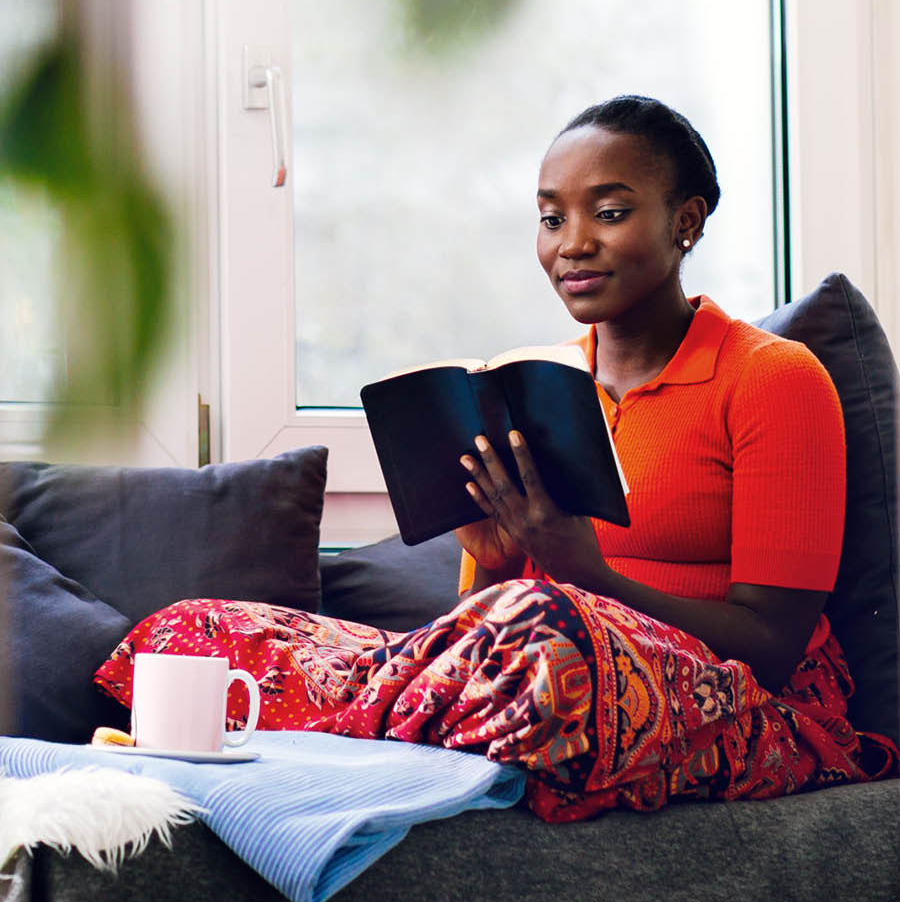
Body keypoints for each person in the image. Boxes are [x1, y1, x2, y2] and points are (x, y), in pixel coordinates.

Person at [95, 95, 897, 820]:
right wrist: (493, 560)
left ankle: (346, 736)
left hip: (744, 703)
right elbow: (469, 640)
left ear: (686, 221)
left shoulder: (775, 380)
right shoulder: (547, 381)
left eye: (609, 213)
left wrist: (585, 577)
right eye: (551, 220)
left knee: (544, 637)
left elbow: (773, 645)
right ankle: (392, 740)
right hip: (538, 666)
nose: (573, 245)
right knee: (191, 631)